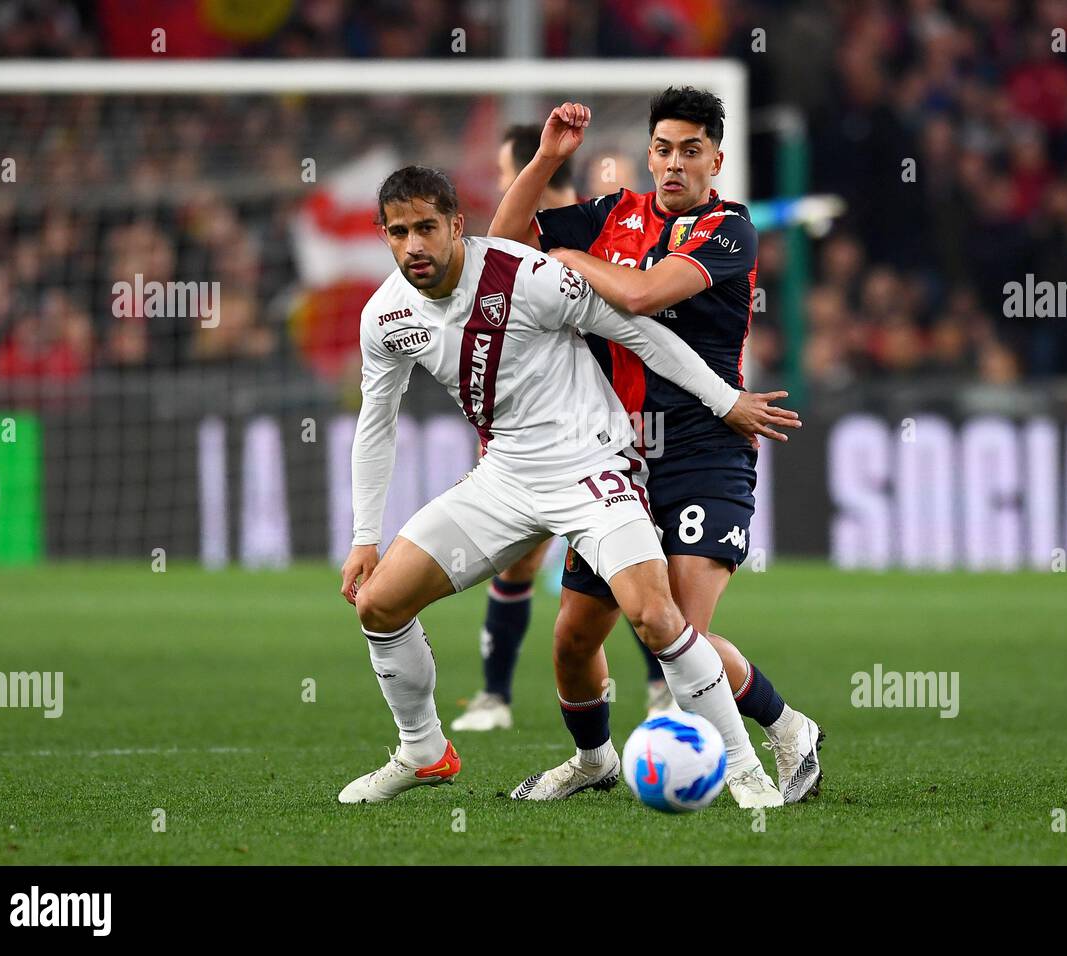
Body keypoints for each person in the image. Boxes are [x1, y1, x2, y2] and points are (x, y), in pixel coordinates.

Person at [337, 165, 799, 808]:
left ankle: (746, 770)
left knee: (655, 616)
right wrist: (365, 538)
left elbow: (638, 331)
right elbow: (375, 423)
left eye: (426, 228)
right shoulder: (384, 314)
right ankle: (423, 749)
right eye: (398, 232)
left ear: (455, 226)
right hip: (504, 478)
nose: (413, 245)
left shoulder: (524, 276)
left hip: (593, 467)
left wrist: (725, 400)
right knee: (378, 605)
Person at [491, 89, 825, 805]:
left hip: (708, 450)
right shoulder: (613, 212)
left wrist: (573, 257)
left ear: (717, 161)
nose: (675, 164)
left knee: (675, 636)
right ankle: (591, 761)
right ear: (649, 154)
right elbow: (501, 243)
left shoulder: (729, 229)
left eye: (691, 151)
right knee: (574, 638)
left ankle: (789, 726)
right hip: (615, 460)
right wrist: (549, 158)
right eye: (664, 149)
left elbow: (642, 297)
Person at [454, 123, 680, 733]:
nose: (505, 183)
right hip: (535, 428)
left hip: (604, 426)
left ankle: (657, 690)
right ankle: (499, 699)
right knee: (532, 567)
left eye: (508, 172)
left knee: (621, 565)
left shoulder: (599, 233)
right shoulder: (542, 237)